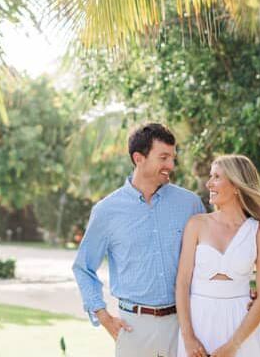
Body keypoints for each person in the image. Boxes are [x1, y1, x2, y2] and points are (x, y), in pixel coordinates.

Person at [72, 123, 205, 356]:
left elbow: (210, 258)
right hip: (134, 327)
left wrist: (239, 289)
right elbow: (83, 268)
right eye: (163, 157)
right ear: (138, 158)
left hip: (183, 324)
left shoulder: (191, 204)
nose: (171, 166)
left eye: (173, 158)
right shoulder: (106, 211)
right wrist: (103, 316)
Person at [176, 154, 260, 357]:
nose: (209, 183)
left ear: (237, 185)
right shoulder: (197, 224)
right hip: (198, 321)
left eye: (216, 177)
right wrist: (188, 337)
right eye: (210, 176)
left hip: (240, 328)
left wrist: (233, 345)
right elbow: (182, 283)